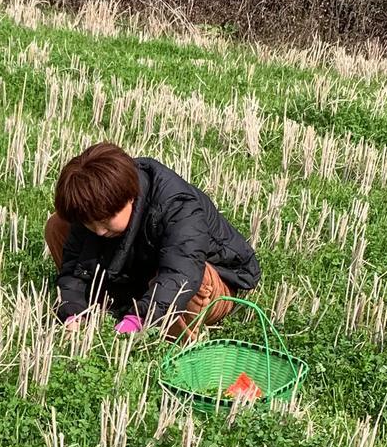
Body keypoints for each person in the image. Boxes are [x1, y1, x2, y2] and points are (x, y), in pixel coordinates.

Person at [47, 142, 260, 337]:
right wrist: (72, 311)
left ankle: (166, 336)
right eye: (90, 223)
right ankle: (110, 306)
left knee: (192, 278)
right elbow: (75, 267)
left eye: (105, 221)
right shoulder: (96, 209)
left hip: (209, 283)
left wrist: (138, 319)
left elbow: (181, 274)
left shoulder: (179, 205)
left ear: (129, 197)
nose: (99, 231)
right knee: (58, 225)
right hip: (144, 275)